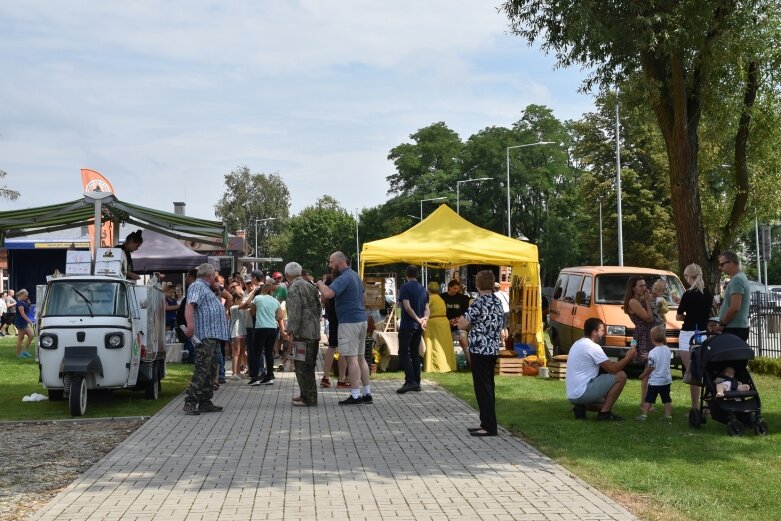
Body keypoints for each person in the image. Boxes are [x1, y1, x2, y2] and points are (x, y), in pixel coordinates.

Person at [316, 251, 372, 405]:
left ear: (339, 262)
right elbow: (364, 298)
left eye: (331, 262)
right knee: (361, 358)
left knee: (351, 359)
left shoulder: (343, 278)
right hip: (361, 319)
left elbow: (327, 294)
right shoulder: (355, 276)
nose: (330, 265)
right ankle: (367, 393)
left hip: (349, 322)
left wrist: (320, 283)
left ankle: (355, 395)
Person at [458, 270, 504, 436]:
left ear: (477, 284)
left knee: (482, 388)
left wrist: (471, 326)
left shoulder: (478, 303)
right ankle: (486, 422)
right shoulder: (497, 302)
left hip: (479, 349)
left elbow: (462, 324)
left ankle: (489, 426)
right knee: (488, 386)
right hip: (492, 348)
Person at [566, 318, 637, 421]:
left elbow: (606, 367)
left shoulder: (577, 343)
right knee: (621, 376)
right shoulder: (593, 347)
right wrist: (628, 357)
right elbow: (613, 369)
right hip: (582, 391)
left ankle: (581, 407)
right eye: (602, 331)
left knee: (605, 402)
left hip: (572, 394)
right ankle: (605, 414)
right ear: (594, 332)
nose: (604, 333)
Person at [182, 263, 229, 416]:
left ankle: (205, 401)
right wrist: (190, 325)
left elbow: (227, 297)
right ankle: (190, 402)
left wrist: (216, 288)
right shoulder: (197, 286)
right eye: (214, 276)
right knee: (202, 369)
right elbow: (190, 306)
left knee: (211, 370)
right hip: (205, 335)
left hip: (213, 335)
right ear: (210, 276)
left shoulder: (208, 288)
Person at [284, 262, 322, 406]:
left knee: (301, 366)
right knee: (309, 365)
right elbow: (319, 308)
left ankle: (309, 399)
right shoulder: (310, 285)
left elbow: (294, 312)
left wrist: (291, 333)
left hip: (302, 333)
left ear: (287, 275)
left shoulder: (293, 287)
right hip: (314, 331)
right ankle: (305, 394)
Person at [676, 263, 713, 409]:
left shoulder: (688, 294)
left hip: (688, 335)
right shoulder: (708, 294)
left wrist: (689, 316)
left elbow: (679, 317)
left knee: (692, 373)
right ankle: (709, 406)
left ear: (688, 276)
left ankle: (695, 407)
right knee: (704, 372)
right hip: (702, 334)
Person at [241, 283, 283, 386]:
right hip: (272, 328)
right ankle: (269, 376)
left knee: (256, 353)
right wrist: (273, 319)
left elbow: (252, 313)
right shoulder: (275, 301)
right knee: (269, 352)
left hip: (261, 328)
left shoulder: (258, 298)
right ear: (271, 291)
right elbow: (280, 315)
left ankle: (255, 378)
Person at [396, 265, 429, 394]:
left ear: (406, 274)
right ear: (417, 275)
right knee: (415, 352)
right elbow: (427, 308)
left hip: (408, 324)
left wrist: (417, 319)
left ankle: (410, 381)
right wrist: (424, 319)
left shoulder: (404, 287)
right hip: (419, 326)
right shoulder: (423, 289)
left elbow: (407, 307)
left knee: (404, 352)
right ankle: (417, 381)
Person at [624, 276, 654, 407]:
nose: (644, 288)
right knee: (648, 369)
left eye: (645, 285)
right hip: (643, 335)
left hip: (648, 334)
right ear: (633, 288)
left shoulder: (640, 299)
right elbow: (648, 318)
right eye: (641, 286)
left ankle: (647, 402)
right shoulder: (633, 302)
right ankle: (645, 403)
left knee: (651, 368)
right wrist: (647, 302)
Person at [636, 326, 673, 422]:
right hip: (666, 380)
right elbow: (662, 357)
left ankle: (644, 415)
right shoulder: (667, 349)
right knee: (667, 399)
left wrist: (644, 375)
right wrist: (649, 356)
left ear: (652, 338)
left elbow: (651, 367)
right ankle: (667, 416)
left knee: (648, 399)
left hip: (655, 381)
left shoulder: (652, 352)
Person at [715, 251, 751, 341]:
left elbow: (735, 307)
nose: (720, 267)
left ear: (732, 262)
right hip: (737, 328)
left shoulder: (737, 280)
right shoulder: (740, 277)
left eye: (722, 264)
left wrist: (722, 324)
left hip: (734, 329)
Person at [320, 272, 348, 389]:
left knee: (332, 346)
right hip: (344, 316)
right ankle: (341, 379)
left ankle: (325, 377)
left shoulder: (329, 280)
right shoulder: (347, 279)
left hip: (332, 315)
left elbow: (323, 298)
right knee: (343, 349)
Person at [423, 281, 456, 372]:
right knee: (445, 345)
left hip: (434, 323)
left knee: (433, 345)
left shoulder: (430, 298)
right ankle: (448, 366)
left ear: (428, 289)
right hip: (444, 322)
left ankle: (434, 367)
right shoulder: (440, 298)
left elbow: (425, 309)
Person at [440, 279, 472, 366]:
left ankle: (471, 363)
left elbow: (469, 307)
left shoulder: (462, 298)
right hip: (445, 326)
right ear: (449, 287)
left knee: (464, 342)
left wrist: (458, 320)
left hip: (458, 326)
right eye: (454, 288)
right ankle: (446, 363)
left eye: (457, 288)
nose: (456, 290)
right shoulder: (442, 297)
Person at [228, 292, 247, 379]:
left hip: (243, 331)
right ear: (235, 300)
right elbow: (246, 304)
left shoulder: (241, 308)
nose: (241, 301)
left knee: (242, 352)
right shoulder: (233, 307)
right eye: (240, 300)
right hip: (236, 332)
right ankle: (234, 372)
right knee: (236, 352)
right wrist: (254, 292)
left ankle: (238, 372)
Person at [14, 289, 35, 358]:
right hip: (20, 322)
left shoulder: (23, 302)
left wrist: (28, 304)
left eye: (27, 296)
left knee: (31, 335)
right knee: (20, 339)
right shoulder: (19, 302)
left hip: (24, 322)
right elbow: (22, 314)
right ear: (21, 295)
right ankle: (18, 354)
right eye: (25, 296)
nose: (26, 297)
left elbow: (27, 311)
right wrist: (29, 321)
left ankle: (25, 351)